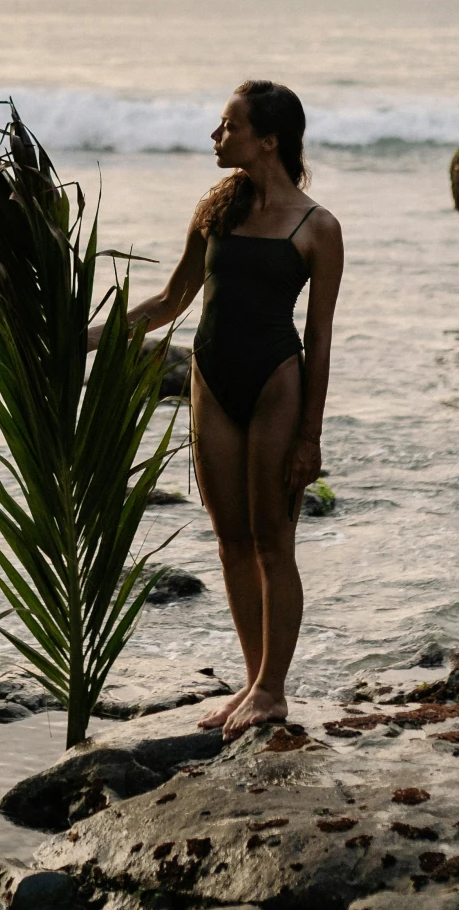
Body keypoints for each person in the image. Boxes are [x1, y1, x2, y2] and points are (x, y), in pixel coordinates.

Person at [126, 80, 343, 735]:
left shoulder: (318, 227)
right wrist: (87, 336)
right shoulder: (214, 209)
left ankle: (272, 690)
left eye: (229, 125)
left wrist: (311, 436)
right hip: (212, 381)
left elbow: (320, 339)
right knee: (229, 543)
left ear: (269, 138)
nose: (217, 137)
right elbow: (168, 303)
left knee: (275, 541)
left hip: (278, 382)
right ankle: (253, 683)